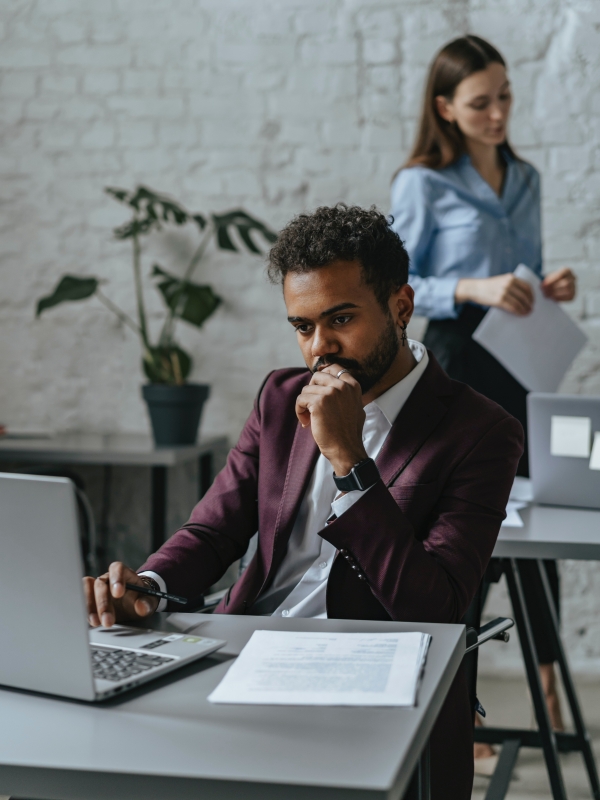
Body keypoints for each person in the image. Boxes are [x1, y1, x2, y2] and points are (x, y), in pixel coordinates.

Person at [85, 205, 523, 800]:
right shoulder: (278, 397)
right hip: (244, 653)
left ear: (401, 306)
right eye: (303, 326)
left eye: (340, 319)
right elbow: (213, 532)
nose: (320, 348)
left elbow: (437, 608)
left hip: (370, 687)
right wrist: (149, 585)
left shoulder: (481, 431)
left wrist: (349, 462)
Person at [389, 35, 576, 764]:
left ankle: (551, 696)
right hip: (459, 361)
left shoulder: (524, 177)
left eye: (504, 97)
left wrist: (543, 285)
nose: (497, 113)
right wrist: (472, 287)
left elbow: (520, 270)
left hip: (521, 354)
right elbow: (399, 288)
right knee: (464, 530)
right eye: (480, 102)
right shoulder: (422, 183)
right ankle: (453, 712)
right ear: (445, 107)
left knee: (539, 522)